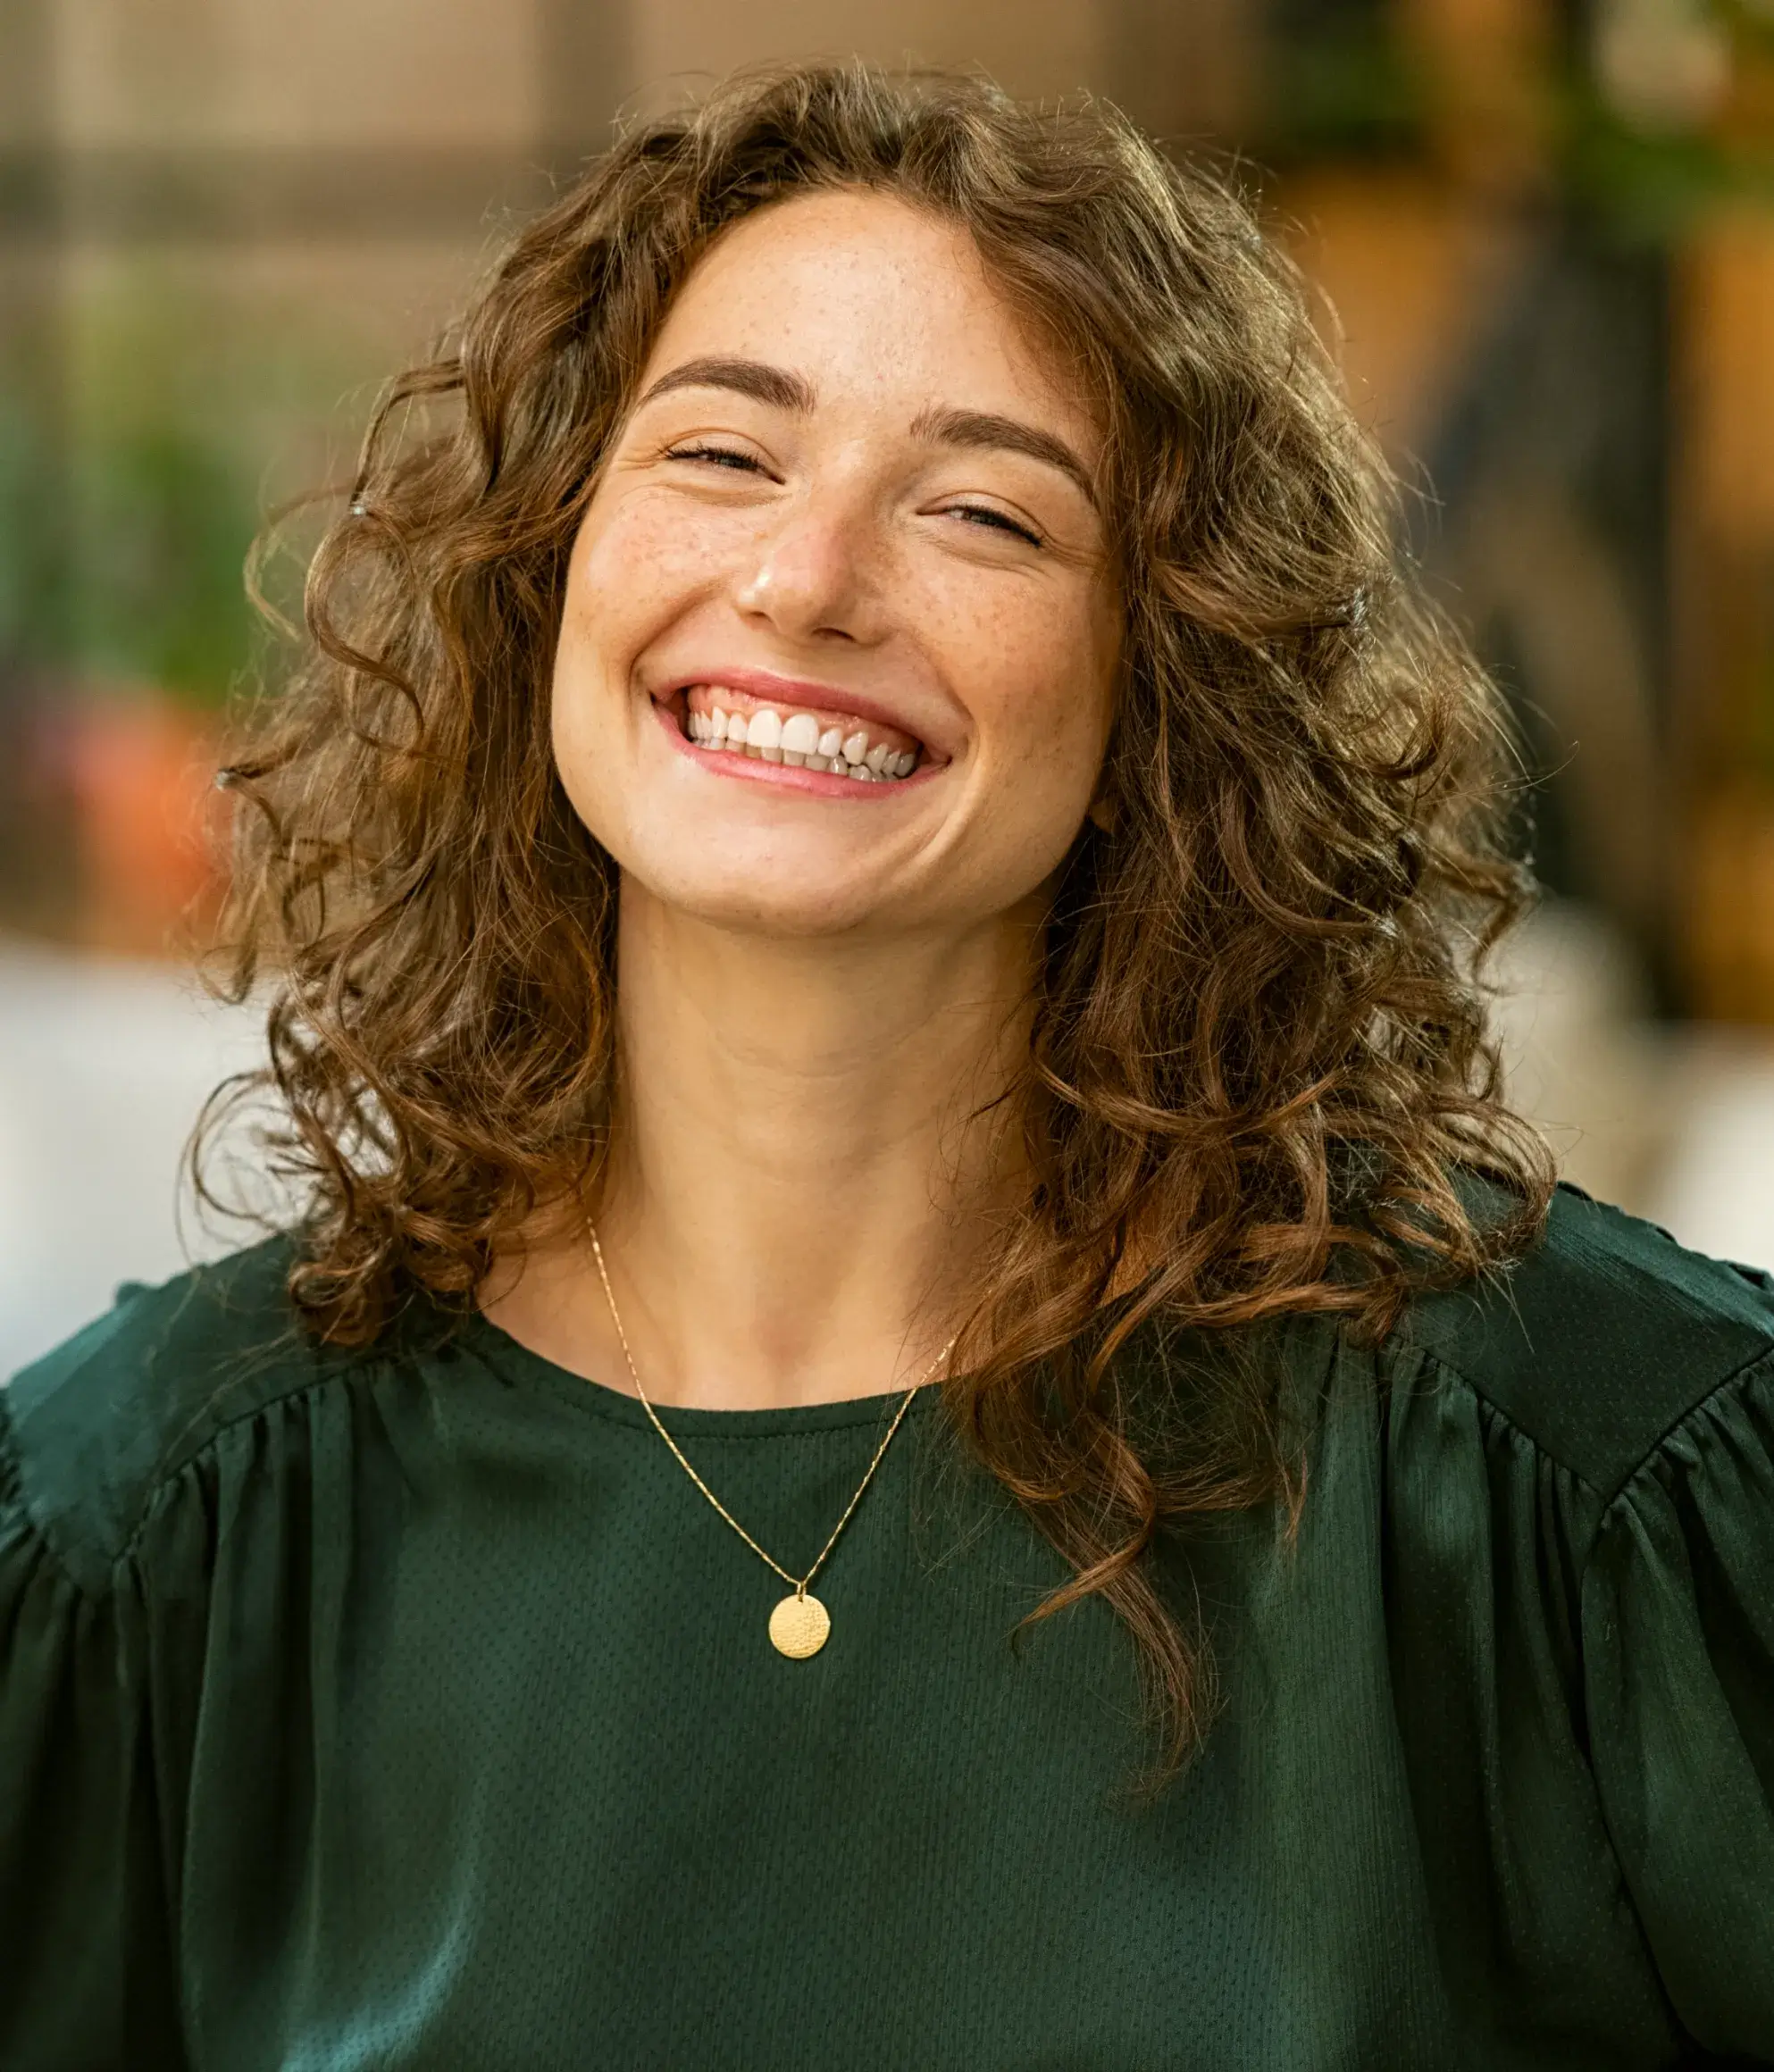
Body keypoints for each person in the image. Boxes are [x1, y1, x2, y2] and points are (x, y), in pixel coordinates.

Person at [2, 61, 1770, 2070]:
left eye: (984, 510)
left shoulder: (1579, 1481)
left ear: (1167, 682)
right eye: (723, 455)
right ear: (546, 564)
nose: (808, 579)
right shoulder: (139, 1548)